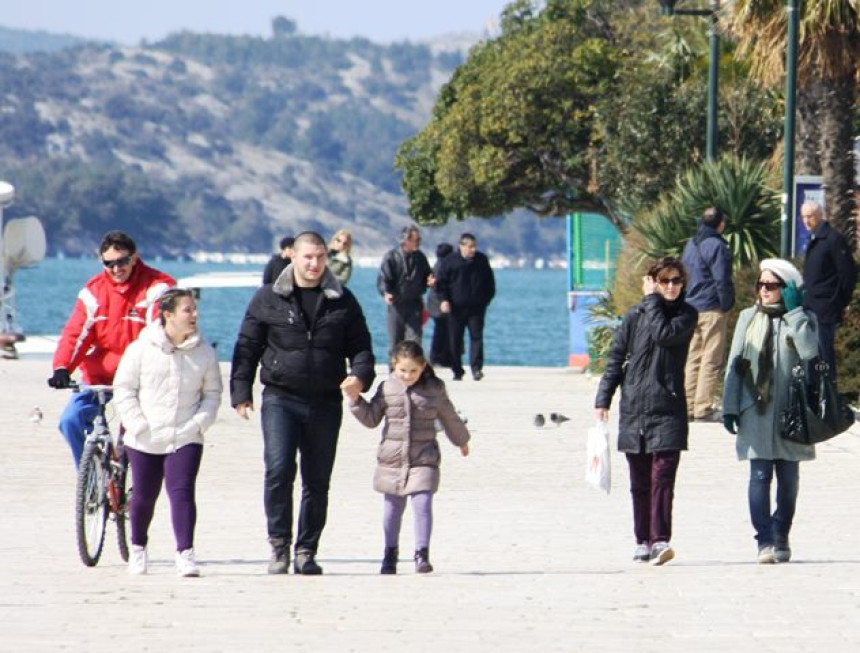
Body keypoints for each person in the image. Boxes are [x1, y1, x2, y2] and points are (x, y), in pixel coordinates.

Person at [230, 231, 375, 575]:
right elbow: (247, 346)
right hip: (281, 397)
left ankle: (306, 550)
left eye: (320, 257)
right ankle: (279, 546)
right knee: (279, 470)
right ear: (292, 256)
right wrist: (241, 391)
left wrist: (359, 376)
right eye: (307, 257)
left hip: (325, 400)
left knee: (317, 480)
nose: (314, 264)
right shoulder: (268, 298)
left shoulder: (343, 300)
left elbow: (362, 347)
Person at [594, 257, 697, 566]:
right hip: (635, 408)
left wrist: (651, 300)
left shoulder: (687, 315)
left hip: (668, 409)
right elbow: (615, 358)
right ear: (652, 281)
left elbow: (664, 335)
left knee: (663, 478)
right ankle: (642, 540)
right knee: (639, 482)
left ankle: (660, 540)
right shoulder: (634, 317)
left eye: (676, 281)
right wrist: (603, 399)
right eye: (664, 281)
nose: (670, 286)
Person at [113, 288, 222, 577]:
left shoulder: (205, 352)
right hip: (144, 435)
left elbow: (212, 393)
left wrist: (199, 423)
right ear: (168, 315)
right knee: (144, 496)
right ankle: (138, 548)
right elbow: (124, 388)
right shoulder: (140, 348)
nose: (194, 315)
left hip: (186, 434)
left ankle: (185, 553)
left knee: (182, 492)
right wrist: (137, 423)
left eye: (195, 309)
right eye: (187, 310)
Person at [47, 231, 175, 467]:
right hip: (100, 375)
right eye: (109, 264)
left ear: (134, 258)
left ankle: (127, 483)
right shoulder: (93, 292)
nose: (117, 269)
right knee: (70, 421)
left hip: (140, 378)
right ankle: (91, 477)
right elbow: (75, 334)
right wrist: (62, 367)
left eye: (123, 261)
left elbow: (159, 332)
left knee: (135, 437)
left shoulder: (157, 287)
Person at [722, 259, 819, 564]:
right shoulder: (748, 318)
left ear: (786, 289)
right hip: (756, 410)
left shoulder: (803, 318)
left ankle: (781, 533)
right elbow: (735, 363)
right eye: (761, 285)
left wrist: (794, 313)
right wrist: (730, 406)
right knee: (759, 475)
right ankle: (764, 540)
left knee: (789, 481)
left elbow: (809, 352)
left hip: (792, 412)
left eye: (771, 285)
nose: (764, 290)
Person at [344, 340, 470, 575]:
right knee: (392, 508)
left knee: (423, 502)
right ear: (394, 366)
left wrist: (461, 440)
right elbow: (371, 419)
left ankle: (422, 553)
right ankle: (390, 553)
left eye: (413, 370)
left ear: (423, 366)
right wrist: (355, 401)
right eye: (403, 370)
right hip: (391, 460)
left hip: (424, 458)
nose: (408, 375)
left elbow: (450, 417)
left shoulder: (435, 389)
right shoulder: (387, 388)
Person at [681, 206, 735, 421]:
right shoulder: (717, 246)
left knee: (693, 357)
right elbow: (722, 279)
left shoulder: (690, 244)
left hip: (691, 306)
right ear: (720, 224)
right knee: (711, 359)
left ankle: (687, 406)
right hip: (712, 307)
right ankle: (703, 407)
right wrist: (726, 304)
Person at [800, 201, 856, 380]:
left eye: (810, 216)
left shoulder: (832, 239)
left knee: (824, 355)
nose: (806, 221)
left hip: (826, 307)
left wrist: (840, 301)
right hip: (811, 305)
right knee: (812, 355)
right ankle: (814, 396)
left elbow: (848, 273)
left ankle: (829, 397)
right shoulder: (815, 239)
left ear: (820, 215)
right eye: (803, 217)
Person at [435, 233, 495, 381]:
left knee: (477, 338)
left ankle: (476, 368)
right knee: (455, 339)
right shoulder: (449, 262)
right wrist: (443, 300)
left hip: (477, 308)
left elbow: (490, 283)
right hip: (455, 308)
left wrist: (485, 300)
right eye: (470, 247)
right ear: (461, 246)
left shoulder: (481, 260)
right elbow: (441, 284)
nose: (473, 250)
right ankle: (457, 369)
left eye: (474, 246)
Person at [377, 225, 432, 361]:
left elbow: (427, 275)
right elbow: (384, 278)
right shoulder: (391, 257)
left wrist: (430, 280)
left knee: (414, 341)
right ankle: (394, 376)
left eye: (419, 239)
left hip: (414, 305)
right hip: (396, 305)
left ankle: (414, 375)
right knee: (395, 343)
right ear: (406, 240)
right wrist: (386, 293)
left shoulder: (420, 257)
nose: (418, 242)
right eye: (416, 239)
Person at [427, 243, 455, 368]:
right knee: (442, 331)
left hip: (434, 303)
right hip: (439, 304)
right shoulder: (443, 266)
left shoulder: (437, 265)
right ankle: (438, 357)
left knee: (442, 331)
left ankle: (441, 357)